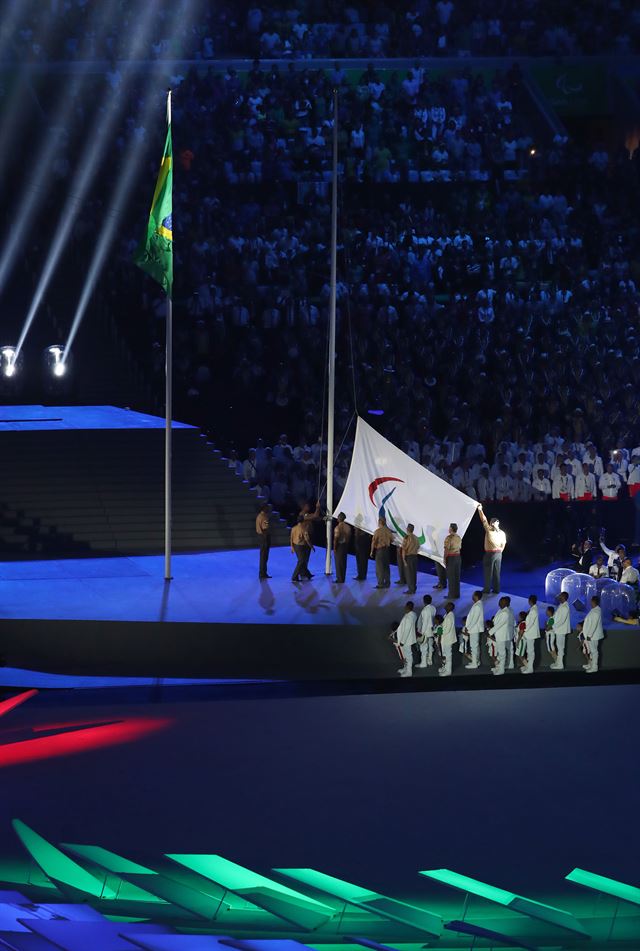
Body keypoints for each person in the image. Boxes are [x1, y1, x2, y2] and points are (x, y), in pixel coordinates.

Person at [477, 503, 507, 594]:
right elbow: (504, 543)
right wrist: (501, 550)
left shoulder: (489, 530)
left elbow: (483, 520)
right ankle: (496, 589)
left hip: (490, 554)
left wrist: (480, 510)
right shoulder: (502, 532)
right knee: (496, 572)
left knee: (488, 572)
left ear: (492, 523)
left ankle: (486, 589)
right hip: (499, 554)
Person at [491, 595, 515, 675]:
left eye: (501, 601)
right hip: (501, 633)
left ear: (506, 603)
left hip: (502, 634)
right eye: (500, 601)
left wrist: (490, 632)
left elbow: (499, 624)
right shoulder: (502, 610)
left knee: (502, 652)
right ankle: (502, 666)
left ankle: (501, 670)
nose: (499, 602)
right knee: (503, 651)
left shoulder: (505, 612)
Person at [582, 595, 604, 673]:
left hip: (592, 636)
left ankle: (594, 667)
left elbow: (594, 625)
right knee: (591, 650)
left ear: (593, 601)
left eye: (591, 601)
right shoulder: (594, 610)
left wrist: (589, 635)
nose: (590, 602)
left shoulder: (596, 612)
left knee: (594, 651)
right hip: (590, 635)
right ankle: (591, 664)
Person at [463, 590, 484, 669]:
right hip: (474, 628)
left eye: (473, 595)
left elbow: (474, 619)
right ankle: (476, 661)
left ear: (476, 596)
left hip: (474, 629)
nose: (472, 596)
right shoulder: (477, 605)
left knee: (474, 646)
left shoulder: (477, 606)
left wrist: (468, 628)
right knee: (475, 646)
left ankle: (474, 663)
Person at [370, 516, 394, 588]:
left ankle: (380, 583)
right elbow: (392, 540)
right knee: (386, 567)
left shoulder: (377, 531)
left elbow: (373, 542)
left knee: (379, 567)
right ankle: (387, 583)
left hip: (380, 551)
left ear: (379, 522)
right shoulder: (388, 531)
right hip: (387, 550)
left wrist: (371, 552)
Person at [395, 601, 417, 678]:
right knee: (405, 655)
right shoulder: (412, 614)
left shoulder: (409, 617)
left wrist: (402, 641)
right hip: (407, 639)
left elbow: (407, 630)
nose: (404, 607)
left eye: (405, 606)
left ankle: (409, 672)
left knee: (408, 655)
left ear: (407, 607)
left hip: (406, 640)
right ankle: (405, 668)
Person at [290, 515, 314, 582]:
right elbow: (307, 539)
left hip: (295, 545)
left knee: (302, 561)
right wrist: (311, 546)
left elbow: (291, 538)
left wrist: (292, 546)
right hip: (301, 546)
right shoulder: (304, 529)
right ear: (303, 521)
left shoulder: (293, 528)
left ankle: (307, 574)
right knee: (301, 561)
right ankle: (294, 576)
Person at [551, 591, 570, 670]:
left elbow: (562, 620)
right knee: (559, 647)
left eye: (560, 596)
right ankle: (558, 663)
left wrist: (553, 626)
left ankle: (560, 664)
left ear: (563, 597)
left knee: (560, 647)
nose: (559, 597)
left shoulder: (565, 607)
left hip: (560, 630)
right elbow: (556, 617)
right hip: (558, 630)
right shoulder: (561, 605)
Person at [521, 594, 540, 674]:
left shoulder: (533, 610)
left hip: (530, 633)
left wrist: (524, 630)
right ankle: (529, 666)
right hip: (529, 633)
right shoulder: (532, 609)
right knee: (529, 651)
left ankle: (530, 668)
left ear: (530, 601)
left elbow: (530, 623)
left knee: (530, 651)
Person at [416, 594, 436, 667]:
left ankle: (423, 663)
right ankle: (429, 660)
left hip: (425, 631)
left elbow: (425, 622)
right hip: (431, 630)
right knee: (430, 645)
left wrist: (422, 632)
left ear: (424, 601)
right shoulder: (433, 608)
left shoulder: (425, 610)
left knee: (423, 647)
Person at [439, 601, 457, 677]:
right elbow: (441, 625)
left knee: (447, 655)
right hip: (445, 639)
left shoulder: (449, 617)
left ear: (450, 607)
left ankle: (448, 671)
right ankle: (445, 667)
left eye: (447, 605)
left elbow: (446, 630)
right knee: (444, 654)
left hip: (447, 639)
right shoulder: (446, 615)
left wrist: (439, 632)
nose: (445, 606)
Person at [444, 522, 462, 598]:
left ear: (451, 529)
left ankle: (451, 595)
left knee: (451, 577)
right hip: (458, 557)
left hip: (451, 558)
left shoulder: (448, 538)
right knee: (457, 577)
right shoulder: (458, 537)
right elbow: (460, 547)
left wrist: (444, 559)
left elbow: (446, 550)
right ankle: (457, 594)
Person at [333, 512, 351, 583]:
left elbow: (336, 539)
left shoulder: (337, 528)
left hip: (339, 546)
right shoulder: (348, 527)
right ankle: (343, 578)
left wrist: (334, 548)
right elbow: (349, 537)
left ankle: (339, 579)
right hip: (345, 545)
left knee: (338, 562)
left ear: (339, 519)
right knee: (344, 562)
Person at [401, 523, 420, 594]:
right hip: (415, 557)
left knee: (409, 574)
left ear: (407, 529)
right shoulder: (416, 537)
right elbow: (418, 546)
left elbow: (403, 549)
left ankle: (411, 590)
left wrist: (403, 560)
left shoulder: (406, 537)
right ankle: (414, 588)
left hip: (409, 557)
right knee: (413, 573)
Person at [256, 503, 272, 579]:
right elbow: (265, 529)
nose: (268, 509)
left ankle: (262, 573)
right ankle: (263, 573)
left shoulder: (259, 516)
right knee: (264, 556)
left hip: (260, 536)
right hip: (264, 537)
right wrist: (266, 540)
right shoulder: (264, 517)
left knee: (263, 556)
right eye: (267, 507)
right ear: (264, 508)